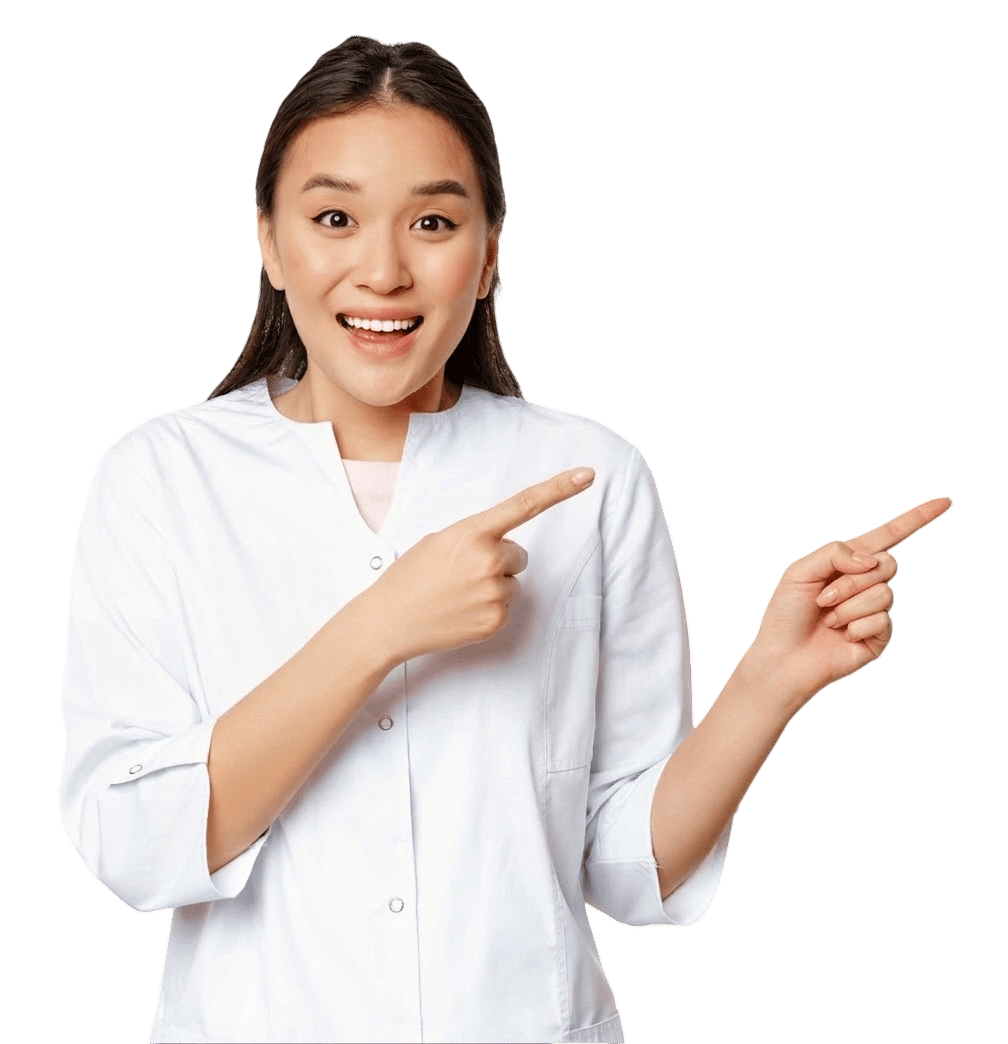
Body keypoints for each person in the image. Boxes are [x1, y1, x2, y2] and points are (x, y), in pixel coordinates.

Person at [57, 35, 952, 1044]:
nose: (383, 270)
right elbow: (135, 842)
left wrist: (770, 681)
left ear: (487, 255)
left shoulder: (590, 474)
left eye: (433, 222)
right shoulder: (162, 477)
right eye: (335, 218)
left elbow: (628, 865)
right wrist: (380, 628)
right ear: (270, 241)